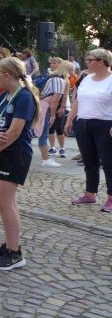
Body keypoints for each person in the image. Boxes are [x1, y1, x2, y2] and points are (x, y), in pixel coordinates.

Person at [0, 57, 38, 271]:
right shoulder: (5, 95)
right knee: (5, 201)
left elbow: (14, 132)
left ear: (7, 75)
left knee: (4, 202)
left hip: (15, 153)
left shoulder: (24, 96)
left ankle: (15, 253)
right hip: (3, 151)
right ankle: (9, 245)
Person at [65, 48, 112, 211]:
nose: (87, 63)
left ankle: (111, 197)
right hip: (83, 123)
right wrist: (70, 119)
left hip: (105, 124)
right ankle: (90, 194)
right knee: (89, 161)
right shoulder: (86, 79)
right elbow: (78, 101)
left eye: (90, 60)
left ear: (101, 61)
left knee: (108, 162)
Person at [38, 60, 71, 166]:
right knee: (44, 132)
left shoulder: (57, 78)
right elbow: (54, 99)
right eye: (71, 70)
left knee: (45, 131)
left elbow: (58, 97)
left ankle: (48, 157)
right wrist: (53, 115)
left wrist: (60, 108)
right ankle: (46, 159)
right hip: (46, 107)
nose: (72, 72)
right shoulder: (59, 79)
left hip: (46, 106)